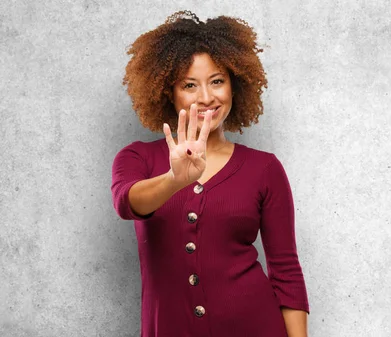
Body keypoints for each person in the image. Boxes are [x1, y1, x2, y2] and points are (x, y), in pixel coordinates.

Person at [111, 10, 309, 337]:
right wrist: (174, 180)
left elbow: (286, 273)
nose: (206, 97)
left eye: (217, 81)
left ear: (235, 85)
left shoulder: (265, 169)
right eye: (190, 85)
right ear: (168, 92)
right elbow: (127, 203)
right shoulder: (137, 157)